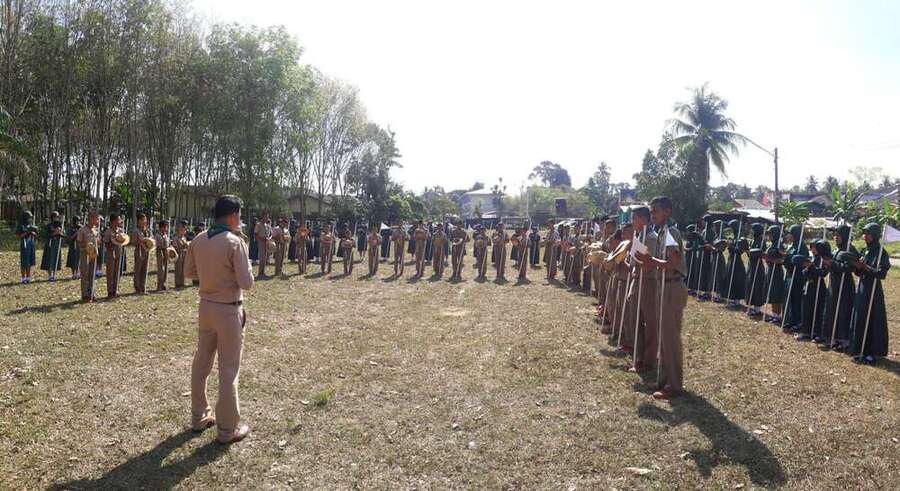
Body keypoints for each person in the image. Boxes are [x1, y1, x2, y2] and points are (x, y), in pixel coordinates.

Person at [184, 195, 253, 444]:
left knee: (202, 362)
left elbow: (189, 272)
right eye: (239, 215)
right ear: (233, 215)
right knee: (228, 369)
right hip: (228, 309)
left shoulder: (199, 239)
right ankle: (227, 429)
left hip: (206, 307)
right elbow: (247, 282)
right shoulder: (234, 242)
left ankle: (199, 415)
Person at [635, 196, 688, 400]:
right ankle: (663, 380)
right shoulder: (661, 233)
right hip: (663, 285)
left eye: (656, 210)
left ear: (667, 211)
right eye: (651, 210)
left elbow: (672, 262)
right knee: (663, 337)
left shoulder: (671, 233)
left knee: (670, 338)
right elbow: (658, 263)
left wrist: (651, 261)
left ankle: (674, 385)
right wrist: (645, 262)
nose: (653, 214)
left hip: (672, 287)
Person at [622, 207, 659, 374]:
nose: (632, 222)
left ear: (644, 219)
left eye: (634, 218)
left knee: (649, 322)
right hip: (637, 280)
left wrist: (635, 258)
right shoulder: (638, 236)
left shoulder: (651, 237)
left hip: (648, 282)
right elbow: (634, 262)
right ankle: (638, 357)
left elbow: (647, 263)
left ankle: (648, 360)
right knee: (634, 319)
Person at [848, 223, 891, 364]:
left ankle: (872, 352)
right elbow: (859, 272)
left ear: (875, 235)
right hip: (862, 287)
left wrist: (865, 267)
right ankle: (860, 348)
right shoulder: (864, 250)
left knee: (872, 319)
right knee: (860, 317)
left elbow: (881, 274)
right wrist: (857, 266)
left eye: (868, 234)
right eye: (864, 233)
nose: (865, 236)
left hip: (873, 290)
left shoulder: (881, 252)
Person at [823, 225, 856, 351]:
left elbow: (850, 268)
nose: (835, 237)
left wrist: (833, 264)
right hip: (834, 283)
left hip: (845, 285)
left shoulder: (850, 249)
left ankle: (844, 340)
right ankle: (834, 337)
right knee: (832, 309)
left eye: (838, 235)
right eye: (834, 235)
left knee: (843, 310)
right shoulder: (836, 249)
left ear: (845, 236)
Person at [797, 240, 829, 342]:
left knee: (818, 310)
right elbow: (805, 272)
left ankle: (817, 333)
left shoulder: (823, 259)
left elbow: (823, 273)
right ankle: (806, 331)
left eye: (814, 247)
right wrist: (806, 269)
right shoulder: (812, 258)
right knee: (807, 309)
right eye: (811, 247)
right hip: (808, 286)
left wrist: (812, 267)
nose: (812, 249)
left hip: (818, 287)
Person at [782, 224, 808, 332]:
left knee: (796, 300)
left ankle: (797, 322)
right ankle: (790, 320)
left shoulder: (802, 248)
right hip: (789, 275)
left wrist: (796, 260)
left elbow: (804, 262)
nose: (788, 236)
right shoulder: (792, 246)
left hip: (797, 277)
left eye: (790, 234)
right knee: (789, 299)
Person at [763, 225, 786, 323]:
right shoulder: (771, 245)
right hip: (770, 270)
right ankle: (774, 314)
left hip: (777, 272)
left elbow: (784, 259)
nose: (769, 236)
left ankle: (777, 315)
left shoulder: (779, 245)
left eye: (771, 234)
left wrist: (772, 260)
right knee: (771, 292)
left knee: (776, 292)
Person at [76, 211, 101, 302]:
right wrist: (86, 246)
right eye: (96, 219)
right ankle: (85, 295)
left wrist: (97, 242)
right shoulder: (82, 230)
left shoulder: (96, 230)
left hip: (93, 255)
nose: (97, 221)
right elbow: (78, 242)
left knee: (92, 274)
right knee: (85, 275)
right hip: (85, 255)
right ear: (91, 218)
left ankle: (91, 294)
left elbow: (99, 242)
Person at [744, 223, 768, 316]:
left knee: (757, 286)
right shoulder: (753, 241)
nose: (751, 231)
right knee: (750, 284)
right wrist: (746, 249)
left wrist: (756, 252)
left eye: (753, 229)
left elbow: (761, 253)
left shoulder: (761, 241)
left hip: (758, 267)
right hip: (751, 266)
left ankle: (757, 309)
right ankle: (751, 305)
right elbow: (750, 254)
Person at [102, 214, 126, 299]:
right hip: (111, 254)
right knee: (110, 272)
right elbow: (105, 242)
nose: (120, 221)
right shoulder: (108, 231)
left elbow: (124, 240)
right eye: (118, 220)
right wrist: (111, 244)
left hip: (119, 252)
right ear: (113, 221)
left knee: (117, 271)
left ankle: (116, 290)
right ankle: (110, 291)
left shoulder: (121, 230)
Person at [130, 213, 152, 294]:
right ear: (139, 221)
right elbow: (133, 242)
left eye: (145, 220)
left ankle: (143, 287)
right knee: (138, 269)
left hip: (146, 251)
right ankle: (137, 287)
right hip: (139, 251)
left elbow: (151, 239)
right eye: (143, 220)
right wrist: (139, 241)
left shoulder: (147, 230)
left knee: (145, 269)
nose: (145, 221)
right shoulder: (136, 231)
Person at [40, 211, 65, 281]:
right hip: (50, 244)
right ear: (52, 217)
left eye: (57, 217)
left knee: (55, 258)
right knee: (49, 259)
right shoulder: (49, 225)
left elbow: (63, 234)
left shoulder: (60, 225)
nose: (56, 218)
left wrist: (60, 232)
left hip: (57, 243)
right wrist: (54, 233)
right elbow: (46, 235)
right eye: (55, 217)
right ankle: (50, 275)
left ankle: (54, 274)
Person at [16, 211, 38, 284]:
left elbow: (36, 235)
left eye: (31, 218)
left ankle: (28, 277)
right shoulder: (21, 225)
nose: (30, 219)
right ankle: (23, 278)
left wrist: (33, 232)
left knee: (30, 261)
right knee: (24, 262)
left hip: (31, 243)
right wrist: (27, 232)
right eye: (29, 217)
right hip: (24, 244)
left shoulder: (31, 225)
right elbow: (18, 235)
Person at [154, 220, 171, 292]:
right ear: (161, 227)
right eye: (165, 227)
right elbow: (159, 244)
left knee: (166, 268)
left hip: (166, 252)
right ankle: (159, 285)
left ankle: (163, 284)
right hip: (160, 252)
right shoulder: (158, 235)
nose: (166, 229)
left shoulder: (165, 235)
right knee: (161, 269)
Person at [173, 220, 190, 288]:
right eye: (183, 230)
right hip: (178, 254)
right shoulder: (176, 238)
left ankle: (182, 282)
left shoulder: (184, 238)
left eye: (185, 230)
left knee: (183, 268)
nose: (184, 231)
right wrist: (183, 246)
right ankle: (178, 283)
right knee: (178, 269)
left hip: (184, 254)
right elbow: (175, 247)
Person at [254, 213, 272, 279]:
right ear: (262, 217)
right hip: (261, 242)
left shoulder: (267, 225)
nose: (266, 218)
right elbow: (255, 234)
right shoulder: (258, 225)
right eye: (265, 217)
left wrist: (269, 238)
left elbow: (270, 234)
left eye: (267, 217)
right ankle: (260, 273)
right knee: (262, 258)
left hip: (267, 243)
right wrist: (261, 239)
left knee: (265, 258)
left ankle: (263, 272)